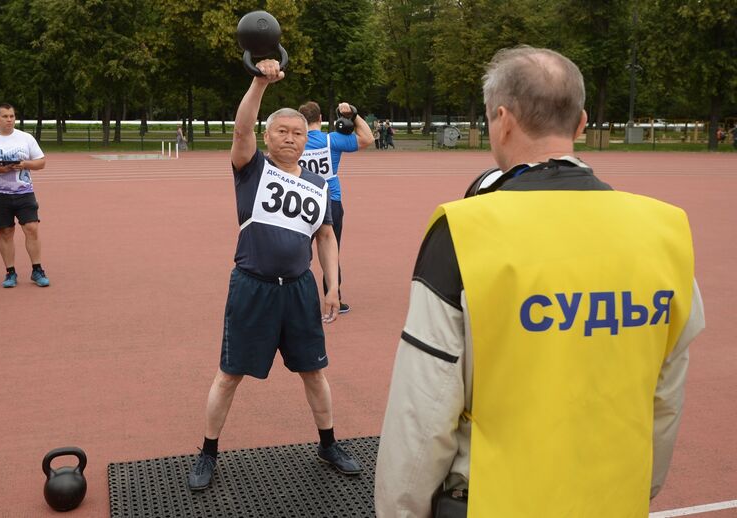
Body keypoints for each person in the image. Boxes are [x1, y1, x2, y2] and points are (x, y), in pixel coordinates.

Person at [375, 46, 705, 518]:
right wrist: (639, 488)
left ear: (503, 120)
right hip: (613, 499)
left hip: (496, 503)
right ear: (581, 123)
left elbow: (423, 408)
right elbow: (665, 396)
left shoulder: (464, 231)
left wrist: (400, 511)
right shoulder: (667, 232)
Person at [187, 58, 361, 492]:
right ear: (269, 136)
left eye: (298, 133)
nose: (290, 138)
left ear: (308, 139)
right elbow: (241, 128)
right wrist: (260, 83)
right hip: (252, 286)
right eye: (282, 131)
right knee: (229, 374)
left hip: (299, 290)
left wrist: (332, 284)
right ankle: (208, 452)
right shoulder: (252, 168)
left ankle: (328, 443)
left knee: (314, 372)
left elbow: (325, 237)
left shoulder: (319, 186)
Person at [297, 100, 374, 313]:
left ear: (301, 121)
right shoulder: (332, 140)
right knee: (331, 249)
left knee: (297, 250)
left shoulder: (295, 141)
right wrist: (353, 115)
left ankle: (294, 298)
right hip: (330, 201)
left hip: (300, 201)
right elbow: (368, 138)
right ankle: (334, 298)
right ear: (320, 119)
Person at [0, 103, 49, 288]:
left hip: (24, 192)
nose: (9, 120)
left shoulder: (26, 138)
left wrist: (25, 165)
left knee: (32, 228)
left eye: (12, 116)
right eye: (5, 116)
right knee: (6, 232)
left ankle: (37, 270)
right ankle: (10, 273)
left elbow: (41, 162)